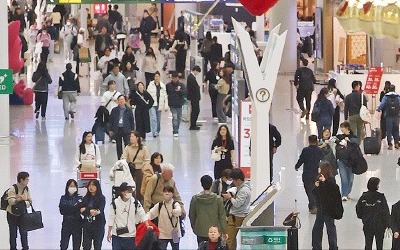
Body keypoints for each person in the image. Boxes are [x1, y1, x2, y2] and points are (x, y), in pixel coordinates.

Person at [107, 182, 149, 250]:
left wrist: (147, 225)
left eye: (131, 191)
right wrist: (109, 232)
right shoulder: (115, 203)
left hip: (130, 235)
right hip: (117, 235)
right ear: (122, 192)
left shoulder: (135, 202)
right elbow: (111, 218)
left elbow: (142, 214)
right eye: (128, 191)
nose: (130, 193)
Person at [311, 162, 342, 250]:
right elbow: (315, 193)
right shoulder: (319, 178)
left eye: (319, 167)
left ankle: (333, 246)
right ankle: (316, 246)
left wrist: (325, 182)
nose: (318, 169)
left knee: (330, 228)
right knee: (317, 229)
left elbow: (331, 192)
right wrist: (316, 187)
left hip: (329, 209)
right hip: (321, 208)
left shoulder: (331, 180)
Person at [189, 175, 227, 245]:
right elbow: (222, 216)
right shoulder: (218, 199)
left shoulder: (195, 199)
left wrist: (194, 227)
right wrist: (224, 231)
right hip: (215, 231)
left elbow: (192, 215)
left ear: (201, 184)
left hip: (200, 229)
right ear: (211, 184)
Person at [356, 177, 390, 250]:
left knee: (368, 244)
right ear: (376, 186)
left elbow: (358, 210)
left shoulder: (363, 197)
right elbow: (386, 211)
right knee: (379, 245)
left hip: (367, 225)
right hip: (380, 226)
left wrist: (364, 217)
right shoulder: (381, 197)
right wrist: (388, 224)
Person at [222, 168, 251, 250]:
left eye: (234, 180)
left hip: (237, 216)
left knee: (229, 238)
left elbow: (237, 204)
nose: (233, 183)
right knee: (232, 239)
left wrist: (230, 197)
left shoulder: (244, 190)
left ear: (238, 180)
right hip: (236, 215)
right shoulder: (243, 188)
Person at [295, 135, 324, 214]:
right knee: (316, 189)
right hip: (316, 173)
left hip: (307, 173)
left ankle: (313, 204)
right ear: (316, 141)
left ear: (309, 141)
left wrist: (297, 166)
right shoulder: (319, 150)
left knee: (308, 190)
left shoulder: (305, 150)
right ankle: (313, 205)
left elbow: (301, 159)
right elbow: (323, 160)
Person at [121, 130, 150, 202]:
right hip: (131, 170)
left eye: (132, 136)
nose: (130, 138)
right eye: (130, 136)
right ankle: (132, 200)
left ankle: (141, 200)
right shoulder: (127, 148)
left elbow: (147, 159)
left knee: (140, 186)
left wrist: (144, 167)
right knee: (131, 186)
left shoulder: (143, 148)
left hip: (140, 170)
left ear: (137, 138)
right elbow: (123, 158)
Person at [6, 172, 31, 250]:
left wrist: (24, 201)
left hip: (22, 214)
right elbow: (10, 201)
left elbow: (29, 202)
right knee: (13, 234)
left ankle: (25, 247)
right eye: (26, 179)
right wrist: (19, 199)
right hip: (12, 215)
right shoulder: (12, 189)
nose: (28, 181)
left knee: (24, 232)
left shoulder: (26, 189)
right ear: (21, 180)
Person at [334, 121, 359, 201]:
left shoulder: (353, 137)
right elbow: (334, 139)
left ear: (347, 128)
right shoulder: (340, 136)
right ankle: (344, 194)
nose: (341, 129)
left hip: (351, 160)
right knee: (344, 178)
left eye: (343, 128)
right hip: (341, 160)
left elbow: (356, 143)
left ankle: (347, 192)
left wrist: (349, 140)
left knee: (350, 179)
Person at [79, 180, 106, 250]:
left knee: (97, 245)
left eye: (93, 185)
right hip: (87, 225)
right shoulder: (85, 198)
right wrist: (90, 210)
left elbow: (99, 211)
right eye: (90, 185)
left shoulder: (101, 198)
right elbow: (81, 211)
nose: (91, 187)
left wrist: (86, 209)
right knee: (86, 246)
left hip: (98, 225)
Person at [59, 179, 83, 250]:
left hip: (77, 224)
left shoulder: (80, 198)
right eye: (70, 186)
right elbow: (62, 211)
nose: (72, 187)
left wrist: (69, 208)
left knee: (76, 245)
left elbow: (80, 210)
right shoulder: (63, 198)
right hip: (66, 224)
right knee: (64, 244)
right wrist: (74, 208)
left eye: (74, 186)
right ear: (67, 187)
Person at [109, 95, 135, 159]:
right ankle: (119, 158)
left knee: (127, 144)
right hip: (117, 129)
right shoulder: (114, 110)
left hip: (126, 129)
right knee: (118, 145)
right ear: (118, 101)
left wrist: (132, 129)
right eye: (120, 99)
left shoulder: (128, 110)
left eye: (123, 99)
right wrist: (110, 130)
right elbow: (111, 120)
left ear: (125, 101)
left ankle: (127, 158)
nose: (121, 101)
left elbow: (131, 120)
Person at [377, 84, 400, 149]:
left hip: (388, 116)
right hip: (396, 116)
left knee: (389, 130)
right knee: (396, 129)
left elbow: (382, 104)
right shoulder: (398, 97)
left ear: (389, 89)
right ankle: (396, 143)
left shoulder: (386, 96)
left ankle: (390, 144)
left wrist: (378, 109)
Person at [147, 72, 168, 137]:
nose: (157, 78)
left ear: (159, 77)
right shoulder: (150, 85)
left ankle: (158, 130)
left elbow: (165, 96)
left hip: (160, 104)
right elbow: (147, 95)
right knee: (154, 118)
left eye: (158, 76)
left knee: (158, 119)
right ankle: (154, 132)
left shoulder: (162, 85)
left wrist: (166, 106)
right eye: (155, 76)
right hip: (152, 104)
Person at [166, 72, 187, 137]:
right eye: (173, 78)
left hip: (179, 104)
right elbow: (167, 93)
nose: (174, 79)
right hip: (172, 104)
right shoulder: (168, 85)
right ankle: (175, 131)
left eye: (176, 78)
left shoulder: (181, 85)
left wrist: (179, 91)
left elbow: (185, 93)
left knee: (179, 118)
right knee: (174, 117)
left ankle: (177, 128)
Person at [187, 65, 202, 130]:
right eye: (198, 72)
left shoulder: (192, 77)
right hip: (194, 97)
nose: (198, 74)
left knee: (195, 110)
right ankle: (193, 125)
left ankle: (194, 124)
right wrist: (198, 87)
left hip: (194, 97)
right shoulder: (191, 77)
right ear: (195, 70)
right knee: (195, 111)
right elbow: (193, 88)